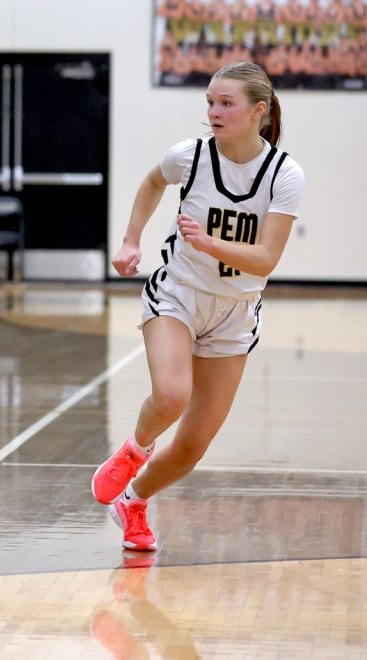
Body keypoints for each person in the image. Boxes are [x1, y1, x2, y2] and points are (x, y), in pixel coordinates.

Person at [90, 62, 304, 552]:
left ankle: (134, 502)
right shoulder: (190, 156)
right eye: (210, 102)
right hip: (179, 292)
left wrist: (208, 243)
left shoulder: (284, 174)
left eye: (226, 103)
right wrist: (129, 240)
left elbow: (267, 257)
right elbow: (150, 183)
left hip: (236, 310)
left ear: (259, 111)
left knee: (191, 446)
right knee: (170, 395)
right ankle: (133, 450)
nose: (213, 112)